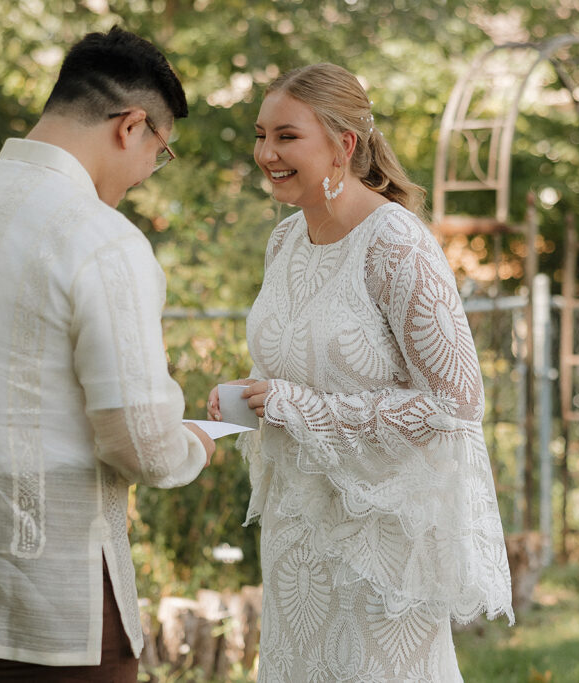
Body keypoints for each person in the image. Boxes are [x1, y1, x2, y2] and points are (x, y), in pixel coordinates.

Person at [0, 26, 215, 682]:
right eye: (160, 152)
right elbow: (139, 441)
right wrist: (195, 441)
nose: (148, 173)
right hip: (56, 603)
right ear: (131, 125)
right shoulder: (102, 239)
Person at [208, 63, 514, 681]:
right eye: (261, 133)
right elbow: (299, 365)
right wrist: (250, 395)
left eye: (287, 136)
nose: (266, 152)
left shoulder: (396, 244)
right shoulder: (284, 241)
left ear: (344, 144)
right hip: (297, 534)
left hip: (379, 544)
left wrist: (300, 407)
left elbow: (456, 404)